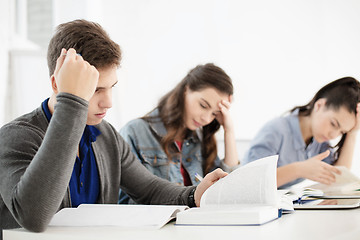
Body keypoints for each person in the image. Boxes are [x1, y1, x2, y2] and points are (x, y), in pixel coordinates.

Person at [0, 19, 227, 234]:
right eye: (96, 89)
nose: (108, 102)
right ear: (57, 84)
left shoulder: (105, 135)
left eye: (111, 88)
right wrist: (71, 100)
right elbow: (34, 217)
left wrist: (193, 195)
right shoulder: (15, 137)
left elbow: (149, 189)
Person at [118, 63, 239, 204]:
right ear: (186, 90)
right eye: (203, 106)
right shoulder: (135, 131)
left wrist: (228, 130)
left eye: (214, 113)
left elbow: (227, 189)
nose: (206, 118)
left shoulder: (198, 139)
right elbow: (125, 202)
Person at [242, 77, 360, 189]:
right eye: (333, 124)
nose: (334, 135)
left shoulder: (319, 142)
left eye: (342, 132)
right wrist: (299, 169)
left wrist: (353, 133)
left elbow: (337, 178)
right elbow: (252, 182)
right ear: (319, 106)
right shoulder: (277, 130)